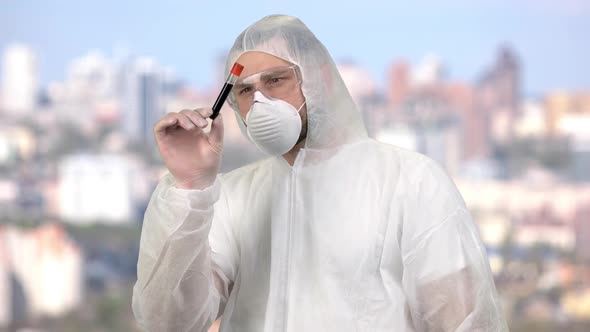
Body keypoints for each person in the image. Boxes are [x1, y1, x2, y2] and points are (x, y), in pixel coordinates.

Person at [132, 14, 508, 332]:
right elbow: (171, 321)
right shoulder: (230, 198)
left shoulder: (410, 182)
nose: (260, 101)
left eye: (275, 80)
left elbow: (463, 322)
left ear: (320, 79)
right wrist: (191, 187)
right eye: (245, 90)